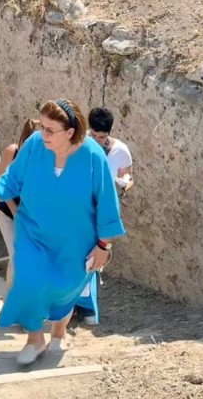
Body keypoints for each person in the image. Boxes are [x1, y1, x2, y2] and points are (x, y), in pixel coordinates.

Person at [0, 99, 124, 365]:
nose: (42, 133)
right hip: (33, 232)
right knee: (30, 280)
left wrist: (104, 246)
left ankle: (59, 331)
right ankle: (35, 339)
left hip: (75, 239)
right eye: (41, 126)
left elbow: (106, 201)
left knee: (66, 288)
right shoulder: (34, 144)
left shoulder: (92, 155)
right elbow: (13, 177)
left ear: (70, 132)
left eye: (49, 129)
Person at [76, 107, 135, 326]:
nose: (97, 141)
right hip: (79, 211)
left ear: (109, 133)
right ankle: (76, 305)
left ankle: (86, 307)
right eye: (93, 136)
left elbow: (128, 178)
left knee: (94, 257)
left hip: (103, 213)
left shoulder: (121, 150)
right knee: (78, 255)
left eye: (102, 137)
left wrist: (123, 185)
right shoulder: (79, 147)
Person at [0, 118, 41, 291]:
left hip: (30, 214)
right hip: (8, 210)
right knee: (16, 255)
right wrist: (15, 211)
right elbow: (0, 183)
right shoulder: (12, 152)